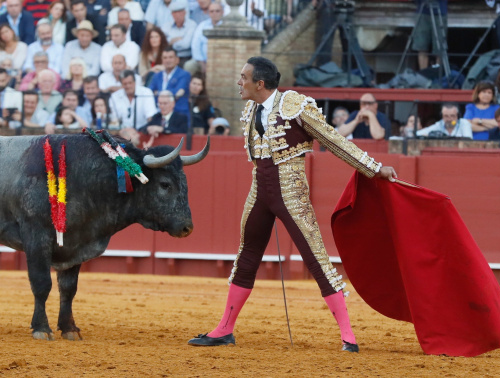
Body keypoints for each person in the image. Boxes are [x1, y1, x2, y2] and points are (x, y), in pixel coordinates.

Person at [187, 56, 397, 351]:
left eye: (244, 77)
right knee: (246, 257)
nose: (239, 82)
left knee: (316, 259)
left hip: (291, 190)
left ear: (260, 83)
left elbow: (334, 140)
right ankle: (224, 329)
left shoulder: (297, 105)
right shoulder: (251, 109)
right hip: (260, 188)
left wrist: (374, 168)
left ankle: (348, 335)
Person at [109, 70, 158, 146]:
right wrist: (126, 131)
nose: (128, 86)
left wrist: (138, 131)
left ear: (135, 82)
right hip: (122, 134)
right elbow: (114, 121)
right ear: (121, 84)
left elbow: (150, 117)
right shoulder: (114, 97)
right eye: (125, 84)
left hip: (142, 133)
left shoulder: (146, 93)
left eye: (130, 83)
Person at [149, 47, 190, 117]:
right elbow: (149, 92)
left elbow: (178, 93)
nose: (168, 60)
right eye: (165, 58)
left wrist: (158, 92)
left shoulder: (184, 74)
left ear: (177, 60)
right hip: (159, 113)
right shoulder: (157, 75)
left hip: (178, 113)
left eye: (171, 57)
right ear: (162, 60)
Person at [411, 0, 448, 70]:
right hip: (423, 11)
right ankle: (423, 76)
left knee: (440, 49)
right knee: (421, 47)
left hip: (439, 10)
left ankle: (438, 76)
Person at [190, 1, 223, 74]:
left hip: (221, 60)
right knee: (189, 66)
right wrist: (202, 63)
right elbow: (195, 45)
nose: (214, 13)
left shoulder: (227, 26)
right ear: (209, 13)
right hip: (202, 60)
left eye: (217, 11)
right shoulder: (202, 25)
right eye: (212, 11)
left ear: (222, 12)